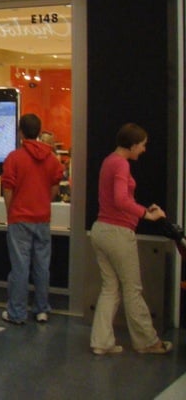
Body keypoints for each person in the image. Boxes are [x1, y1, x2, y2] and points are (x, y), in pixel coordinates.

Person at [90, 123, 172, 355]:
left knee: (110, 288)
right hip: (118, 234)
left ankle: (101, 342)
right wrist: (147, 214)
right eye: (142, 145)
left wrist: (141, 209)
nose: (144, 149)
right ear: (133, 144)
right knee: (132, 289)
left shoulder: (109, 161)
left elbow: (117, 200)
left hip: (100, 230)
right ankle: (147, 341)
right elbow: (120, 200)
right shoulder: (122, 164)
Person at [0, 114, 64, 325]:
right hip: (42, 217)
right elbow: (55, 187)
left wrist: (11, 212)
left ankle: (17, 312)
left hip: (19, 218)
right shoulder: (52, 159)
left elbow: (8, 189)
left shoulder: (14, 158)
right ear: (39, 131)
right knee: (42, 266)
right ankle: (41, 309)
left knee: (20, 267)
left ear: (20, 132)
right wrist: (44, 201)